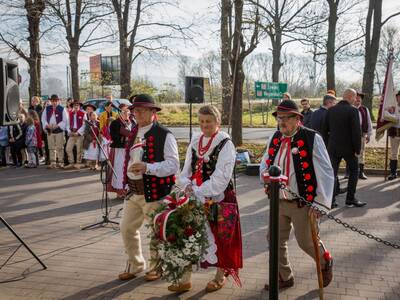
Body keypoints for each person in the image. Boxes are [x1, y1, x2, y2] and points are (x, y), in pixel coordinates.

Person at [260, 99, 334, 290]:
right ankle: (285, 276)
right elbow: (266, 161)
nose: (281, 122)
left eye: (286, 118)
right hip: (278, 200)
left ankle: (325, 262)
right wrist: (265, 176)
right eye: (279, 118)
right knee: (274, 240)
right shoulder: (275, 137)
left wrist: (320, 203)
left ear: (297, 119)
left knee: (306, 242)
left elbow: (325, 171)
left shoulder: (311, 138)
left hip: (304, 203)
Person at [173, 105, 242, 293]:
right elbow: (186, 169)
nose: (205, 125)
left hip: (218, 198)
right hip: (194, 196)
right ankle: (185, 279)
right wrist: (186, 185)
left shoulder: (225, 144)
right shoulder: (196, 141)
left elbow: (221, 178)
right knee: (188, 234)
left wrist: (198, 190)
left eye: (208, 121)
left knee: (221, 237)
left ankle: (220, 276)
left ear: (217, 122)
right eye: (202, 121)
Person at [118, 94, 179, 282]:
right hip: (134, 190)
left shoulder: (164, 134)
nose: (138, 113)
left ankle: (156, 267)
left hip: (154, 191)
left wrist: (148, 168)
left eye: (143, 110)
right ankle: (135, 264)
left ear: (153, 112)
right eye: (135, 110)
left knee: (155, 232)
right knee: (126, 228)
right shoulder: (134, 131)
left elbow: (173, 164)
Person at [322, 89, 366, 208]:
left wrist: (327, 146)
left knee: (332, 174)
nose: (356, 100)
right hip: (349, 149)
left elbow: (324, 129)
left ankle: (330, 200)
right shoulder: (353, 111)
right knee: (354, 171)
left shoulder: (331, 110)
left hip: (333, 148)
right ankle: (350, 199)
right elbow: (356, 132)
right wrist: (358, 150)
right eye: (355, 97)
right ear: (351, 97)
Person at [108, 104, 131, 198]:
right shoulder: (115, 123)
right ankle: (119, 192)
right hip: (119, 150)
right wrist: (125, 138)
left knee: (128, 170)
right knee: (119, 169)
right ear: (119, 112)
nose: (126, 113)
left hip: (129, 150)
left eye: (128, 111)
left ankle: (127, 190)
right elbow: (114, 137)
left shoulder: (131, 122)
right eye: (124, 112)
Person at [41, 94, 68, 169]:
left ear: (58, 101)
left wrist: (58, 125)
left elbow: (65, 120)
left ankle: (60, 162)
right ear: (51, 101)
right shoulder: (47, 108)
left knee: (60, 147)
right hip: (50, 130)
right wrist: (47, 125)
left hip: (59, 129)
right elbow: (43, 118)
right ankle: (53, 162)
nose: (54, 102)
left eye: (56, 101)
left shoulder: (62, 109)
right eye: (53, 101)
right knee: (51, 147)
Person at [354, 92, 373, 180]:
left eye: (359, 99)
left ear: (361, 100)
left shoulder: (365, 109)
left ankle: (361, 172)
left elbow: (369, 122)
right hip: (352, 136)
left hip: (362, 135)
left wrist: (369, 135)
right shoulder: (350, 109)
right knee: (351, 153)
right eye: (356, 98)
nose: (358, 100)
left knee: (361, 154)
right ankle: (349, 172)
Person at [65, 100, 86, 169]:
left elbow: (84, 125)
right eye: (74, 105)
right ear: (73, 106)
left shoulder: (83, 113)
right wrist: (69, 131)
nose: (76, 106)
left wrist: (78, 132)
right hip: (72, 133)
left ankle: (78, 163)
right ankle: (71, 162)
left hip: (79, 134)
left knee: (79, 149)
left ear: (79, 106)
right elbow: (67, 124)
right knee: (68, 148)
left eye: (77, 105)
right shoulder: (70, 113)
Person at [384, 91, 400, 180]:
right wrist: (388, 112)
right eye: (398, 97)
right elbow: (385, 115)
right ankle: (393, 173)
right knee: (394, 153)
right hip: (394, 133)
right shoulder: (392, 108)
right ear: (396, 98)